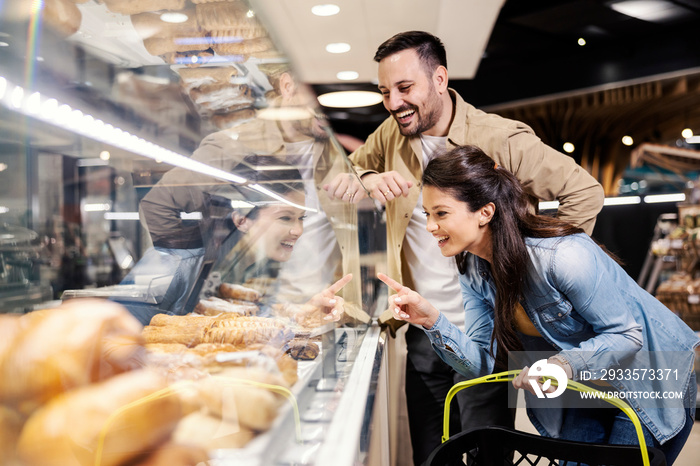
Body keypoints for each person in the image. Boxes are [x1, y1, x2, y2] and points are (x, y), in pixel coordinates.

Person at [323, 30, 605, 464]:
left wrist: (535, 270)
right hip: (422, 330)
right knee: (432, 454)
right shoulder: (390, 135)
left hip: (486, 334)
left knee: (484, 454)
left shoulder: (502, 139)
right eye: (384, 92)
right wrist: (366, 179)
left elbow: (585, 193)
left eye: (404, 88)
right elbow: (349, 171)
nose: (393, 103)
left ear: (439, 79)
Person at [378, 144, 699, 465]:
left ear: (485, 212)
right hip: (585, 387)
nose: (430, 226)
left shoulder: (562, 256)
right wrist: (433, 319)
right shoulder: (474, 270)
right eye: (427, 215)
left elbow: (627, 336)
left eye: (441, 213)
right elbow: (482, 365)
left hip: (650, 379)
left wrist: (559, 365)